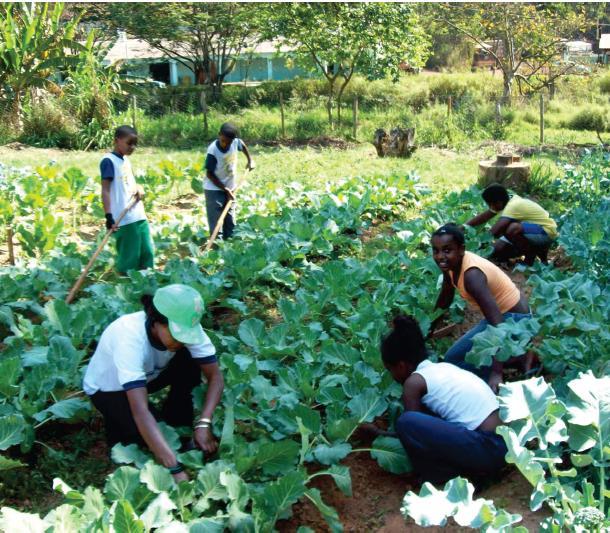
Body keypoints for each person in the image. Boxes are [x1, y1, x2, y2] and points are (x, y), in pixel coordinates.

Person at [83, 284, 224, 482]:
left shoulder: (186, 325)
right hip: (109, 390)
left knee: (190, 360)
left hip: (149, 377)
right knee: (139, 437)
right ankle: (118, 424)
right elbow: (140, 410)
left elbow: (216, 377)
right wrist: (174, 468)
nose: (181, 340)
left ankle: (177, 421)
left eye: (185, 335)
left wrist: (204, 423)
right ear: (155, 322)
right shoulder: (129, 337)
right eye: (176, 335)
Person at [382, 315, 507, 485]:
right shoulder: (444, 368)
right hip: (506, 442)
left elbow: (413, 433)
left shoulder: (414, 383)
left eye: (390, 370)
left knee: (406, 421)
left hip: (489, 448)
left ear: (401, 366)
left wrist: (379, 434)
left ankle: (445, 478)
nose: (392, 376)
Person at [431, 224, 531, 392]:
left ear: (461, 249)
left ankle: (514, 360)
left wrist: (496, 372)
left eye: (447, 250)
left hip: (515, 321)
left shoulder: (472, 276)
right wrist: (429, 328)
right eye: (436, 250)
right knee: (452, 359)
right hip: (500, 316)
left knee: (458, 362)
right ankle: (515, 356)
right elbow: (445, 297)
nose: (440, 256)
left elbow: (497, 324)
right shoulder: (450, 265)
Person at [100, 125, 154, 273]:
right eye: (129, 143)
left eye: (135, 144)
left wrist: (139, 188)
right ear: (117, 141)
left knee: (147, 253)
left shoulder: (125, 160)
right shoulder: (108, 161)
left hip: (138, 214)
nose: (132, 147)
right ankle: (126, 289)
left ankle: (146, 288)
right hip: (123, 218)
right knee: (129, 258)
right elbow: (105, 190)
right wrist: (108, 216)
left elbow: (129, 183)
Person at [465, 183, 557, 265]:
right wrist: (464, 226)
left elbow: (494, 232)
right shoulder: (507, 199)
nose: (490, 207)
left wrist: (475, 246)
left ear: (498, 202)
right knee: (496, 249)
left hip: (546, 231)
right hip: (532, 231)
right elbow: (485, 216)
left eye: (490, 205)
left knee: (512, 228)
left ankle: (530, 257)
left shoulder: (513, 206)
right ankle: (537, 251)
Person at [204, 122, 254, 240]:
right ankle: (217, 249)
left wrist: (250, 160)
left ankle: (231, 246)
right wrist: (224, 189)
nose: (225, 144)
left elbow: (242, 145)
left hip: (230, 187)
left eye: (228, 142)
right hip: (214, 189)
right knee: (216, 222)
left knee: (230, 220)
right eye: (223, 141)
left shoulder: (235, 142)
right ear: (219, 135)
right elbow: (209, 174)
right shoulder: (213, 151)